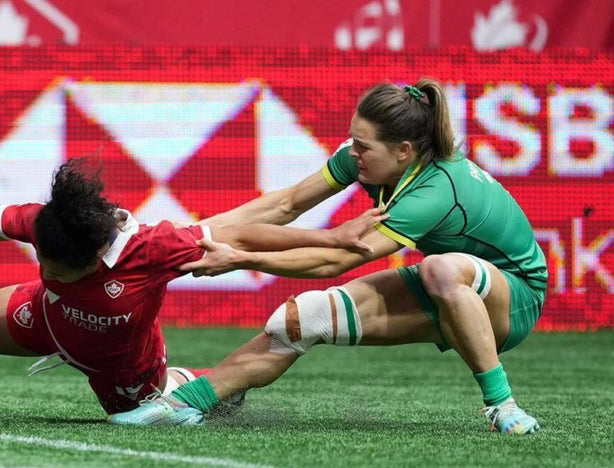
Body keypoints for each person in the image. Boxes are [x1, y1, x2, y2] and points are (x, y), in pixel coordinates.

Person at [0, 158, 383, 422]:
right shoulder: (44, 222)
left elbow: (248, 232)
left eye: (55, 264)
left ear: (93, 257)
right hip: (45, 318)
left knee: (140, 415)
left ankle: (197, 385)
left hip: (123, 359)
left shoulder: (152, 248)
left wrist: (335, 239)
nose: (43, 261)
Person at [109, 79, 547, 435]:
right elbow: (287, 204)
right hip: (450, 289)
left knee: (439, 266)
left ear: (403, 152)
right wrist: (190, 237)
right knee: (302, 319)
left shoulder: (433, 190)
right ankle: (188, 404)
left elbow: (334, 262)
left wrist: (239, 257)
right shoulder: (367, 160)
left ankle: (503, 407)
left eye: (363, 146)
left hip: (514, 297)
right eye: (353, 140)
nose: (351, 152)